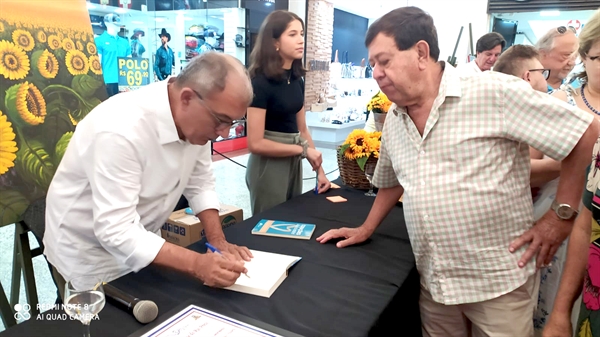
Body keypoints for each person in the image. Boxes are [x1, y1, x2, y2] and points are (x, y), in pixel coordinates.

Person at [316, 7, 598, 337]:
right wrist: (365, 228)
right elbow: (393, 181)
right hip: (437, 283)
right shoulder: (394, 118)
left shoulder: (492, 92)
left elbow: (585, 133)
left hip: (498, 283)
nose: (375, 72)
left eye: (384, 61)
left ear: (421, 53)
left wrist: (560, 215)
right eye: (373, 63)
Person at [43, 52, 253, 294]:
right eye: (221, 121)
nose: (224, 134)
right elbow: (116, 230)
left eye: (233, 123)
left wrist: (218, 242)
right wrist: (196, 263)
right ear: (187, 98)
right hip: (89, 254)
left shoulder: (195, 119)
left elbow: (200, 183)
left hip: (143, 238)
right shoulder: (119, 129)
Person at [494, 44, 569, 335]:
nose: (547, 78)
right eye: (543, 72)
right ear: (528, 76)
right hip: (535, 215)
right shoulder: (532, 106)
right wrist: (582, 164)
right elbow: (525, 170)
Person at [543, 9, 600, 336]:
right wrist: (574, 162)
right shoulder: (561, 102)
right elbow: (527, 166)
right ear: (585, 56)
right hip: (563, 219)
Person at [245, 10, 330, 215]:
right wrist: (302, 151)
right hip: (268, 166)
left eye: (301, 33)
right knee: (270, 224)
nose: (300, 40)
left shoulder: (296, 79)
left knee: (292, 217)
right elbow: (255, 143)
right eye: (292, 35)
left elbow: (302, 129)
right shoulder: (260, 82)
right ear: (274, 42)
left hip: (292, 161)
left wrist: (320, 172)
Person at [536, 26, 580, 92]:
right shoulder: (525, 86)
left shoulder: (580, 87)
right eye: (567, 55)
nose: (572, 63)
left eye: (575, 56)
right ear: (542, 54)